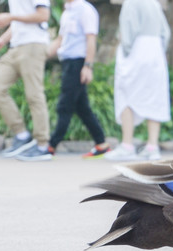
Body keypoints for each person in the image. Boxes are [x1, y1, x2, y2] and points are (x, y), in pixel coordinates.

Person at [0, 0, 52, 161]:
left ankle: (42, 145)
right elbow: (18, 23)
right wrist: (1, 41)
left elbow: (43, 15)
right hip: (16, 47)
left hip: (33, 45)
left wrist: (11, 16)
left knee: (34, 95)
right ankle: (22, 134)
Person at [105, 0, 171, 162]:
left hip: (136, 49)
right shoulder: (154, 3)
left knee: (125, 93)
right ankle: (152, 146)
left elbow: (128, 31)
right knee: (154, 96)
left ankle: (127, 145)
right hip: (156, 51)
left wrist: (126, 50)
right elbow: (166, 33)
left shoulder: (131, 2)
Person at [47, 0, 110, 159]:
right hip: (67, 62)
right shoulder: (67, 11)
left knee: (64, 105)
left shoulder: (86, 10)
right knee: (82, 108)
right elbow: (60, 40)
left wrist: (88, 66)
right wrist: (40, 56)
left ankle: (50, 146)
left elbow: (91, 39)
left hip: (79, 63)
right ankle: (101, 144)